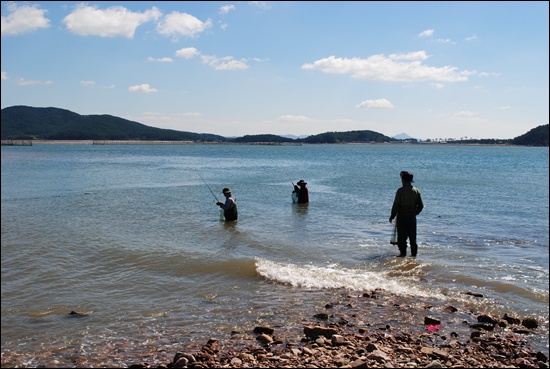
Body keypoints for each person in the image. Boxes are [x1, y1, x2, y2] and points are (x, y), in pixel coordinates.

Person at [389, 171, 423, 257]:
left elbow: (396, 205)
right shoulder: (416, 191)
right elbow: (421, 206)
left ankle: (402, 254)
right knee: (413, 238)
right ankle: (413, 256)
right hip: (412, 218)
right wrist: (415, 213)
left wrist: (392, 216)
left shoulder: (400, 191)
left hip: (402, 218)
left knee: (402, 238)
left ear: (403, 181)